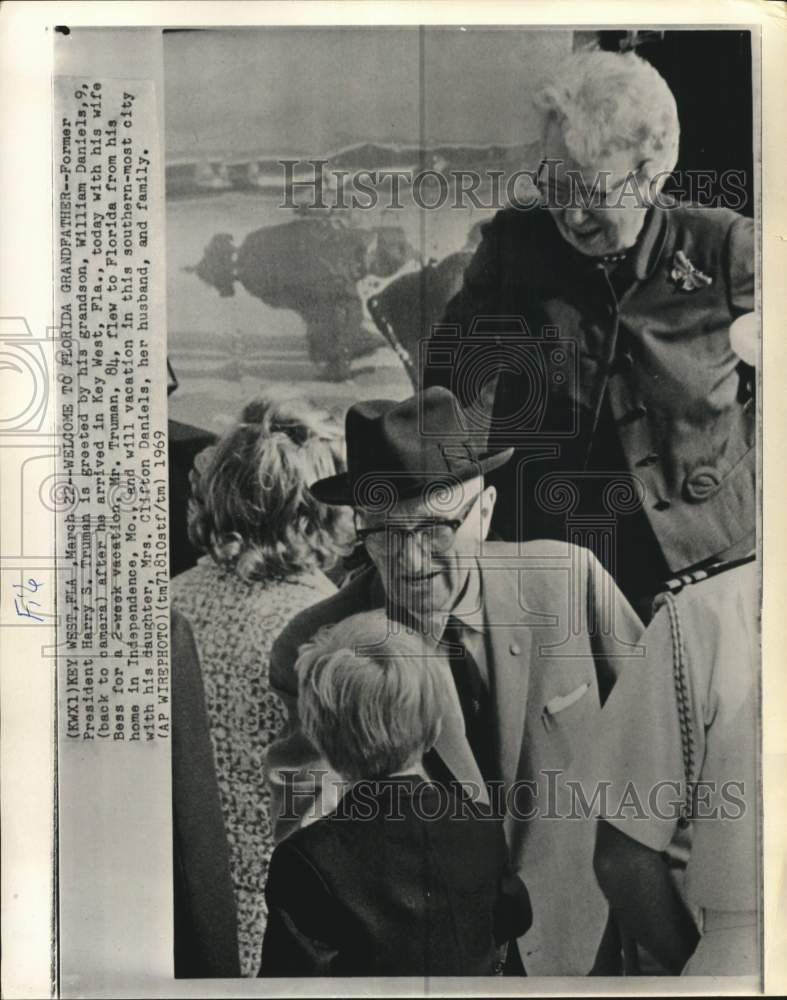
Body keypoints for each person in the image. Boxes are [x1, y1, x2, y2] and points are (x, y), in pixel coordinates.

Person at [265, 385, 644, 975]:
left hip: (591, 951)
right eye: (384, 534)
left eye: (435, 530)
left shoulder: (570, 584)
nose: (411, 561)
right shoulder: (318, 647)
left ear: (485, 512)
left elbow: (666, 761)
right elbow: (311, 839)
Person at [423, 50, 755, 618]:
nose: (572, 216)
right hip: (556, 564)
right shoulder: (514, 245)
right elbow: (450, 381)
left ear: (652, 176)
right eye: (556, 186)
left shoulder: (723, 248)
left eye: (595, 195)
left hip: (709, 563)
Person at [171, 394, 352, 976]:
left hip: (178, 913)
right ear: (314, 511)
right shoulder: (333, 622)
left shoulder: (163, 604)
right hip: (293, 921)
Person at [259, 610, 532, 977]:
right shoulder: (480, 822)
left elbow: (287, 985)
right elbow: (514, 918)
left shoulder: (306, 859)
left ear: (320, 735)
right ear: (435, 729)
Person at [571, 555, 758, 975]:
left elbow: (621, 859)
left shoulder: (705, 612)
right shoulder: (704, 615)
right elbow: (623, 857)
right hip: (746, 953)